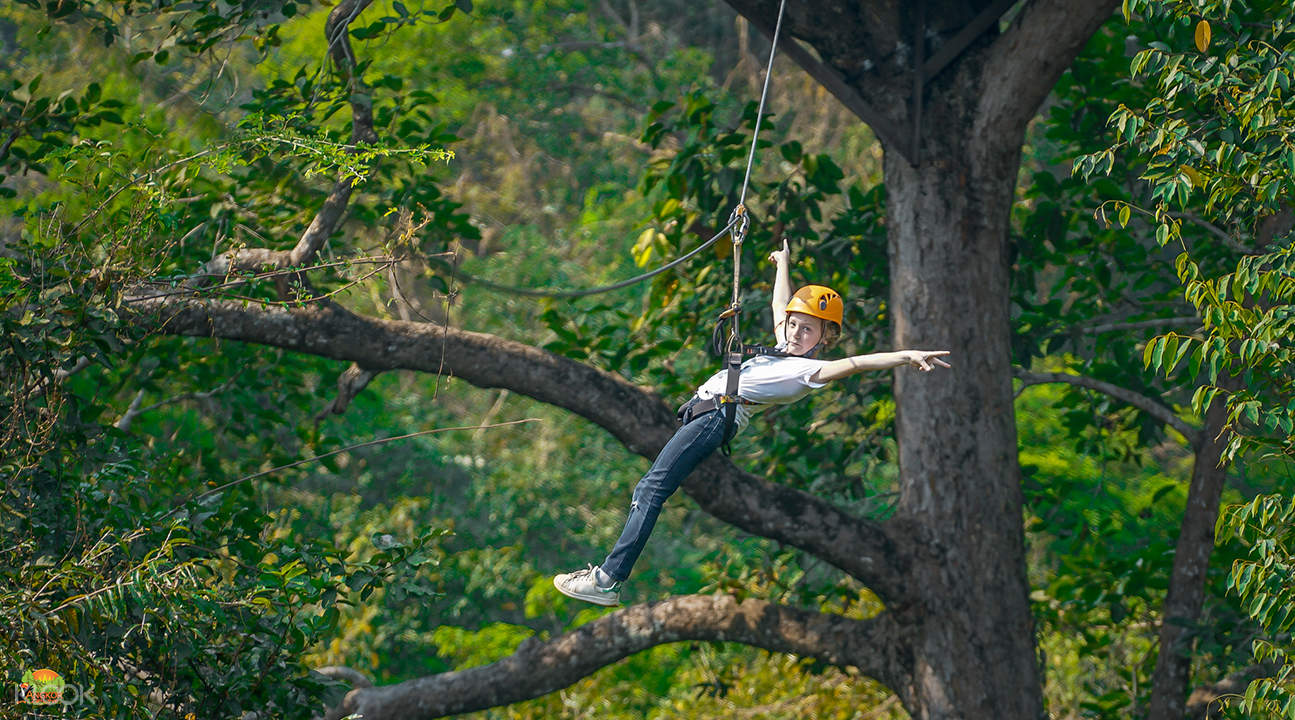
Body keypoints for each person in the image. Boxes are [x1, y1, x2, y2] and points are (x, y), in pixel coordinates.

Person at [553, 240, 951, 606]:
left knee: (651, 488)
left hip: (717, 418)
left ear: (825, 337)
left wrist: (904, 355)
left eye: (806, 328)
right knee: (651, 487)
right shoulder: (783, 348)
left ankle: (608, 579)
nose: (795, 332)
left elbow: (855, 363)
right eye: (795, 325)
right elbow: (782, 306)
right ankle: (609, 577)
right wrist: (784, 266)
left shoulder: (808, 371)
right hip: (708, 414)